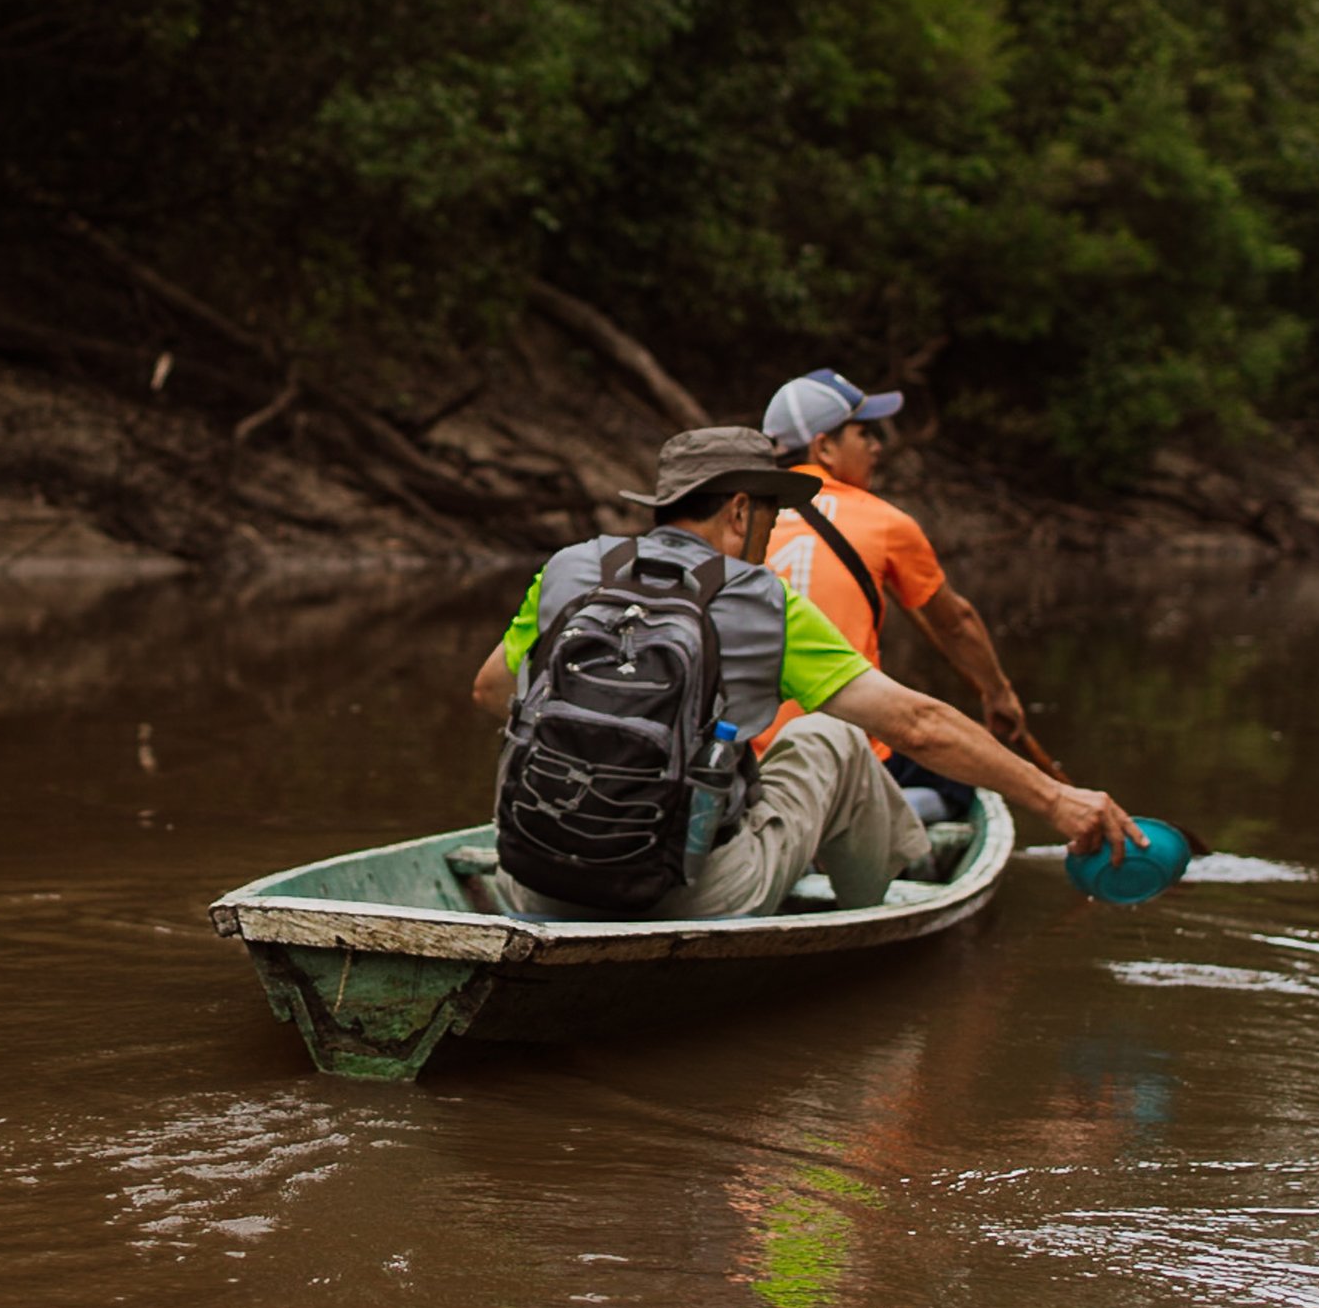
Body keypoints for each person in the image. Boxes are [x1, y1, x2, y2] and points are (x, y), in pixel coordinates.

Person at [469, 426, 1135, 921]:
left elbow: (491, 690)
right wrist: (1054, 798)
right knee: (833, 738)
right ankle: (880, 906)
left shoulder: (568, 569)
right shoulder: (763, 600)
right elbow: (918, 725)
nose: (774, 527)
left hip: (535, 881)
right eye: (771, 511)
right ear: (737, 510)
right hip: (691, 895)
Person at [758, 367, 1026, 818]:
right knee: (961, 781)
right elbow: (955, 622)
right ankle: (882, 819)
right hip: (843, 757)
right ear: (824, 447)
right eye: (864, 434)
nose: (877, 448)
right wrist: (998, 693)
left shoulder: (738, 517)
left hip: (747, 753)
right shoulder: (882, 521)